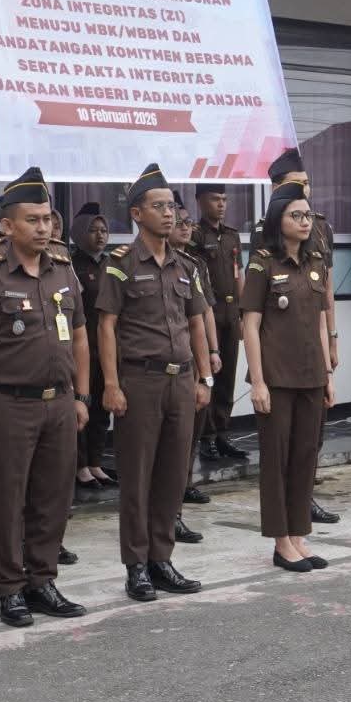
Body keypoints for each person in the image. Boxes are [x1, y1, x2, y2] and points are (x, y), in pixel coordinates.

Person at [0, 168, 89, 626]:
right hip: (7, 404)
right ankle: (10, 588)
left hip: (59, 402)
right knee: (8, 499)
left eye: (47, 219)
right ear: (7, 226)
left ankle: (42, 580)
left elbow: (82, 338)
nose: (42, 227)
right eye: (31, 220)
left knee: (53, 496)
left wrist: (81, 396)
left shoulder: (64, 273)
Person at [94, 163, 212, 602]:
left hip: (182, 381)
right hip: (139, 382)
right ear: (137, 214)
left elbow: (197, 322)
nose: (169, 214)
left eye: (172, 206)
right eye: (159, 207)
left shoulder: (186, 266)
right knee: (138, 477)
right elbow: (107, 326)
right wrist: (110, 384)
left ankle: (162, 559)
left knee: (172, 475)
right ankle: (136, 565)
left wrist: (206, 378)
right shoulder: (120, 266)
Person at [242, 181, 334, 571]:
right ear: (278, 221)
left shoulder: (316, 263)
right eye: (296, 215)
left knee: (304, 459)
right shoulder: (263, 263)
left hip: (311, 375)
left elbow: (317, 321)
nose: (305, 221)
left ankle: (299, 535)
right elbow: (250, 325)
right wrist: (258, 382)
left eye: (308, 214)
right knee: (277, 461)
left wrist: (327, 373)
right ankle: (281, 542)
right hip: (277, 379)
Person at [268, 148, 345, 524]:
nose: (305, 190)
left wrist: (332, 336)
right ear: (275, 187)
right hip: (281, 352)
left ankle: (305, 494)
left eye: (307, 183)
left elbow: (325, 289)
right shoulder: (266, 232)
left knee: (312, 431)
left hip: (314, 341)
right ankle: (287, 508)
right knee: (284, 438)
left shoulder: (320, 227)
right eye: (296, 184)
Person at [171, 199, 218, 540]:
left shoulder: (192, 265)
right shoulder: (125, 265)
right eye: (178, 221)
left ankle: (176, 504)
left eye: (188, 222)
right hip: (151, 371)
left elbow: (203, 315)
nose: (185, 227)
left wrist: (210, 358)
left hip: (188, 364)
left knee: (184, 439)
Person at [192, 183, 247, 464]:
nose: (221, 204)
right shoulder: (195, 235)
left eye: (224, 199)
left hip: (229, 312)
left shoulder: (232, 236)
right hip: (208, 313)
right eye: (215, 199)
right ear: (201, 201)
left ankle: (223, 433)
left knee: (227, 378)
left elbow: (239, 275)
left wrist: (243, 309)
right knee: (208, 376)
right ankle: (206, 437)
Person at [69, 203, 115, 489]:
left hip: (107, 348)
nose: (100, 236)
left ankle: (96, 461)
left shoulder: (112, 264)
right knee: (81, 408)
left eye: (104, 230)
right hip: (83, 348)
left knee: (101, 408)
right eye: (93, 231)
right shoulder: (73, 266)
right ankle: (80, 465)